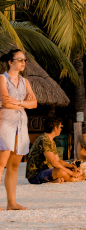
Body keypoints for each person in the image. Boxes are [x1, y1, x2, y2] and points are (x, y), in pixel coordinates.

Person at [0, 49, 37, 210]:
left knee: (14, 165)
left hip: (21, 125)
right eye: (20, 59)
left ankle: (11, 202)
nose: (23, 62)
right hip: (6, 124)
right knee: (1, 164)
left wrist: (19, 103)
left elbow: (34, 104)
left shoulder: (25, 82)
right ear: (10, 62)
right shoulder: (2, 79)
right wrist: (23, 102)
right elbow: (6, 104)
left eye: (25, 60)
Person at [26, 117, 85, 185]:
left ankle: (54, 180)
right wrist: (71, 172)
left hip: (45, 171)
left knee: (64, 169)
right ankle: (74, 178)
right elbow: (54, 163)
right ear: (55, 128)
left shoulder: (51, 140)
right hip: (35, 175)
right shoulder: (44, 140)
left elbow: (58, 160)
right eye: (60, 126)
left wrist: (71, 166)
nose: (61, 129)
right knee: (61, 171)